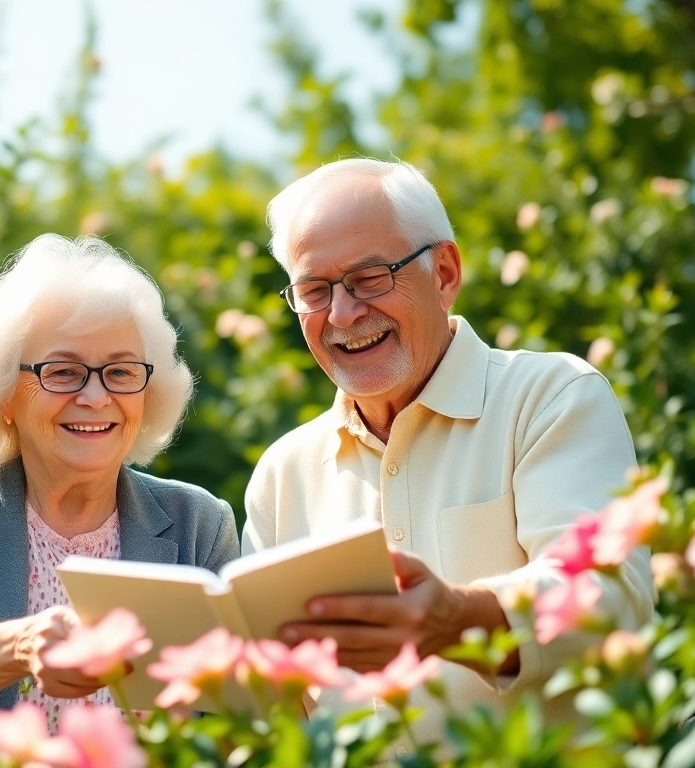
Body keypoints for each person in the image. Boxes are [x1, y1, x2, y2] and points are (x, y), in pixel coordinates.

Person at [243, 158, 653, 746]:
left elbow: (611, 597)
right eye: (314, 290)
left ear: (443, 272)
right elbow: (282, 707)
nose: (342, 313)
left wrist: (460, 619)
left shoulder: (551, 397)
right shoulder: (283, 474)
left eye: (370, 278)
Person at [0, 234, 239, 758]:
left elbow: (236, 716)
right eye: (61, 371)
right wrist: (22, 645)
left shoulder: (198, 523)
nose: (95, 396)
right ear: (3, 395)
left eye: (120, 372)